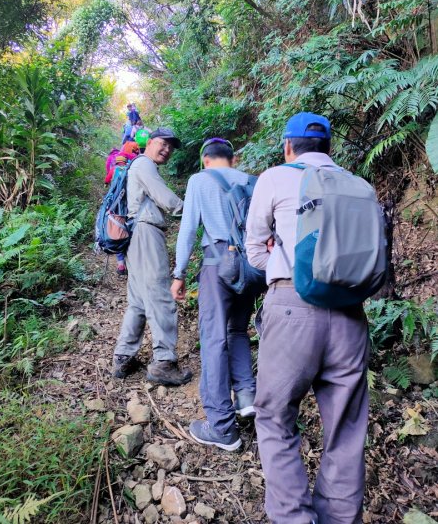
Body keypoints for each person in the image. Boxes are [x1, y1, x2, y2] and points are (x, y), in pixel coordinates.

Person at [245, 112, 369, 524]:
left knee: (276, 417)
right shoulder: (358, 185)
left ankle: (294, 519)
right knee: (346, 431)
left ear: (287, 146)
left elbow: (254, 251)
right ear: (329, 148)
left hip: (292, 307)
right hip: (350, 315)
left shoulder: (275, 178)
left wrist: (279, 259)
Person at [171, 139, 259, 452]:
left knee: (213, 338)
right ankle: (247, 396)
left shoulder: (199, 180)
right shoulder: (253, 181)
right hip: (252, 266)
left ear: (205, 160)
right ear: (233, 159)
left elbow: (189, 229)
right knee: (237, 330)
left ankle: (222, 427)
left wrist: (179, 273)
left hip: (218, 262)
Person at [113, 127, 192, 386]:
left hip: (135, 236)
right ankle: (164, 362)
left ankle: (123, 357)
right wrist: (193, 212)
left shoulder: (137, 165)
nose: (167, 149)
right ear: (150, 142)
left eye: (171, 146)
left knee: (137, 300)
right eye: (163, 143)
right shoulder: (144, 164)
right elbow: (167, 199)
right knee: (160, 296)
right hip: (146, 233)